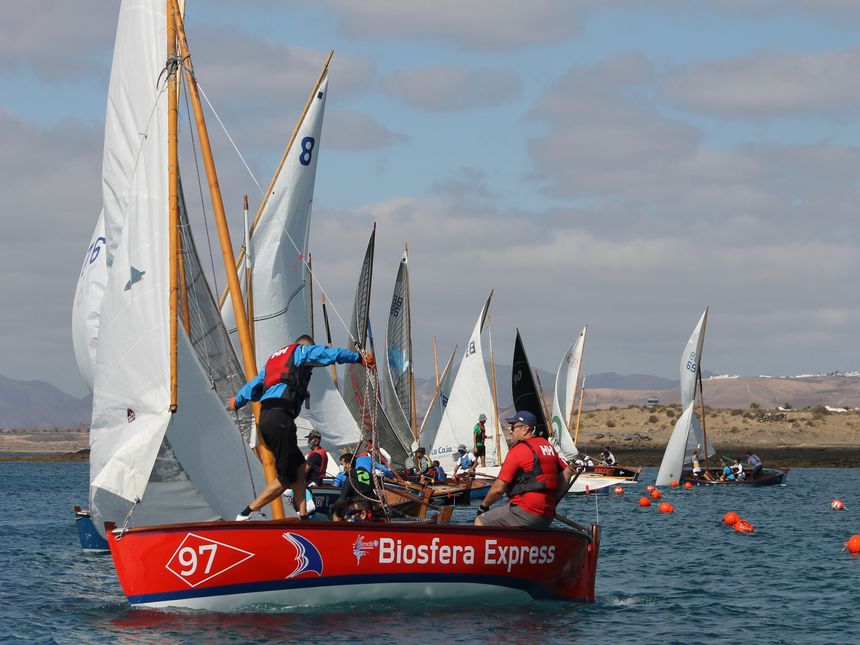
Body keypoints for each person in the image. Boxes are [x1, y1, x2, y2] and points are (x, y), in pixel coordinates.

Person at [229, 334, 375, 520]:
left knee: (299, 466)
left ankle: (303, 517)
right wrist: (357, 358)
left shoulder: (273, 361)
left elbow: (253, 385)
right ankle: (245, 514)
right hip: (280, 418)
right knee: (286, 478)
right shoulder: (301, 351)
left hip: (268, 419)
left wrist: (238, 401)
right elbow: (327, 354)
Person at [475, 411, 575, 529]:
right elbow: (568, 471)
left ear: (525, 428)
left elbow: (498, 489)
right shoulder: (547, 446)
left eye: (513, 426)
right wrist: (554, 501)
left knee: (480, 521)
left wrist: (483, 507)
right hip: (547, 515)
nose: (510, 431)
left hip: (525, 511)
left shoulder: (519, 450)